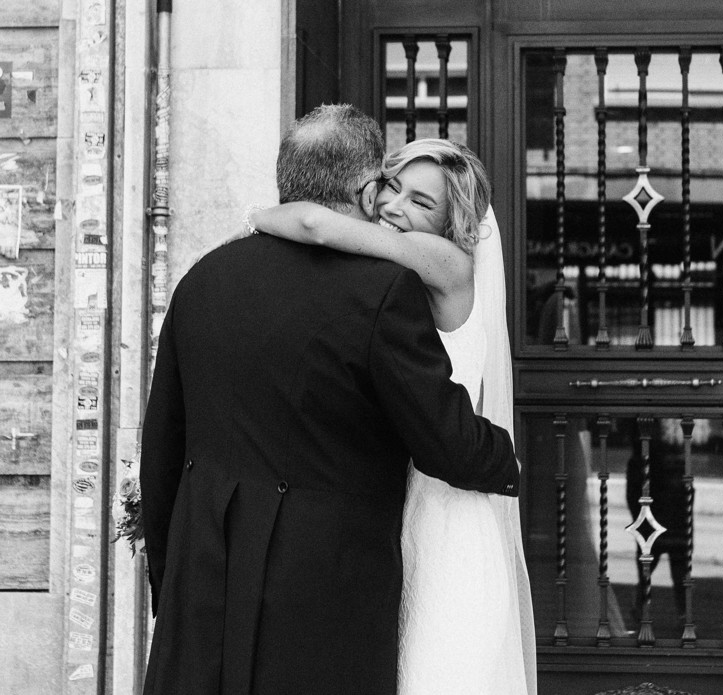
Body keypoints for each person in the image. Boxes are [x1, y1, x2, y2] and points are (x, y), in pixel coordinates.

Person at [139, 106, 520, 695]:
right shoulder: (382, 291)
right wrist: (510, 459)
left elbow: (160, 449)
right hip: (325, 604)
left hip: (201, 591)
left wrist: (172, 590)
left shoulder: (201, 278)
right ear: (369, 190)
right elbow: (445, 440)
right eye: (392, 188)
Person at [251, 137, 536, 694]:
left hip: (446, 505)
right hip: (395, 497)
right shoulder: (391, 276)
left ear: (453, 225)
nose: (393, 207)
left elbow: (316, 225)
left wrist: (253, 219)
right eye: (392, 187)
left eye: (420, 203)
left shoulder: (448, 264)